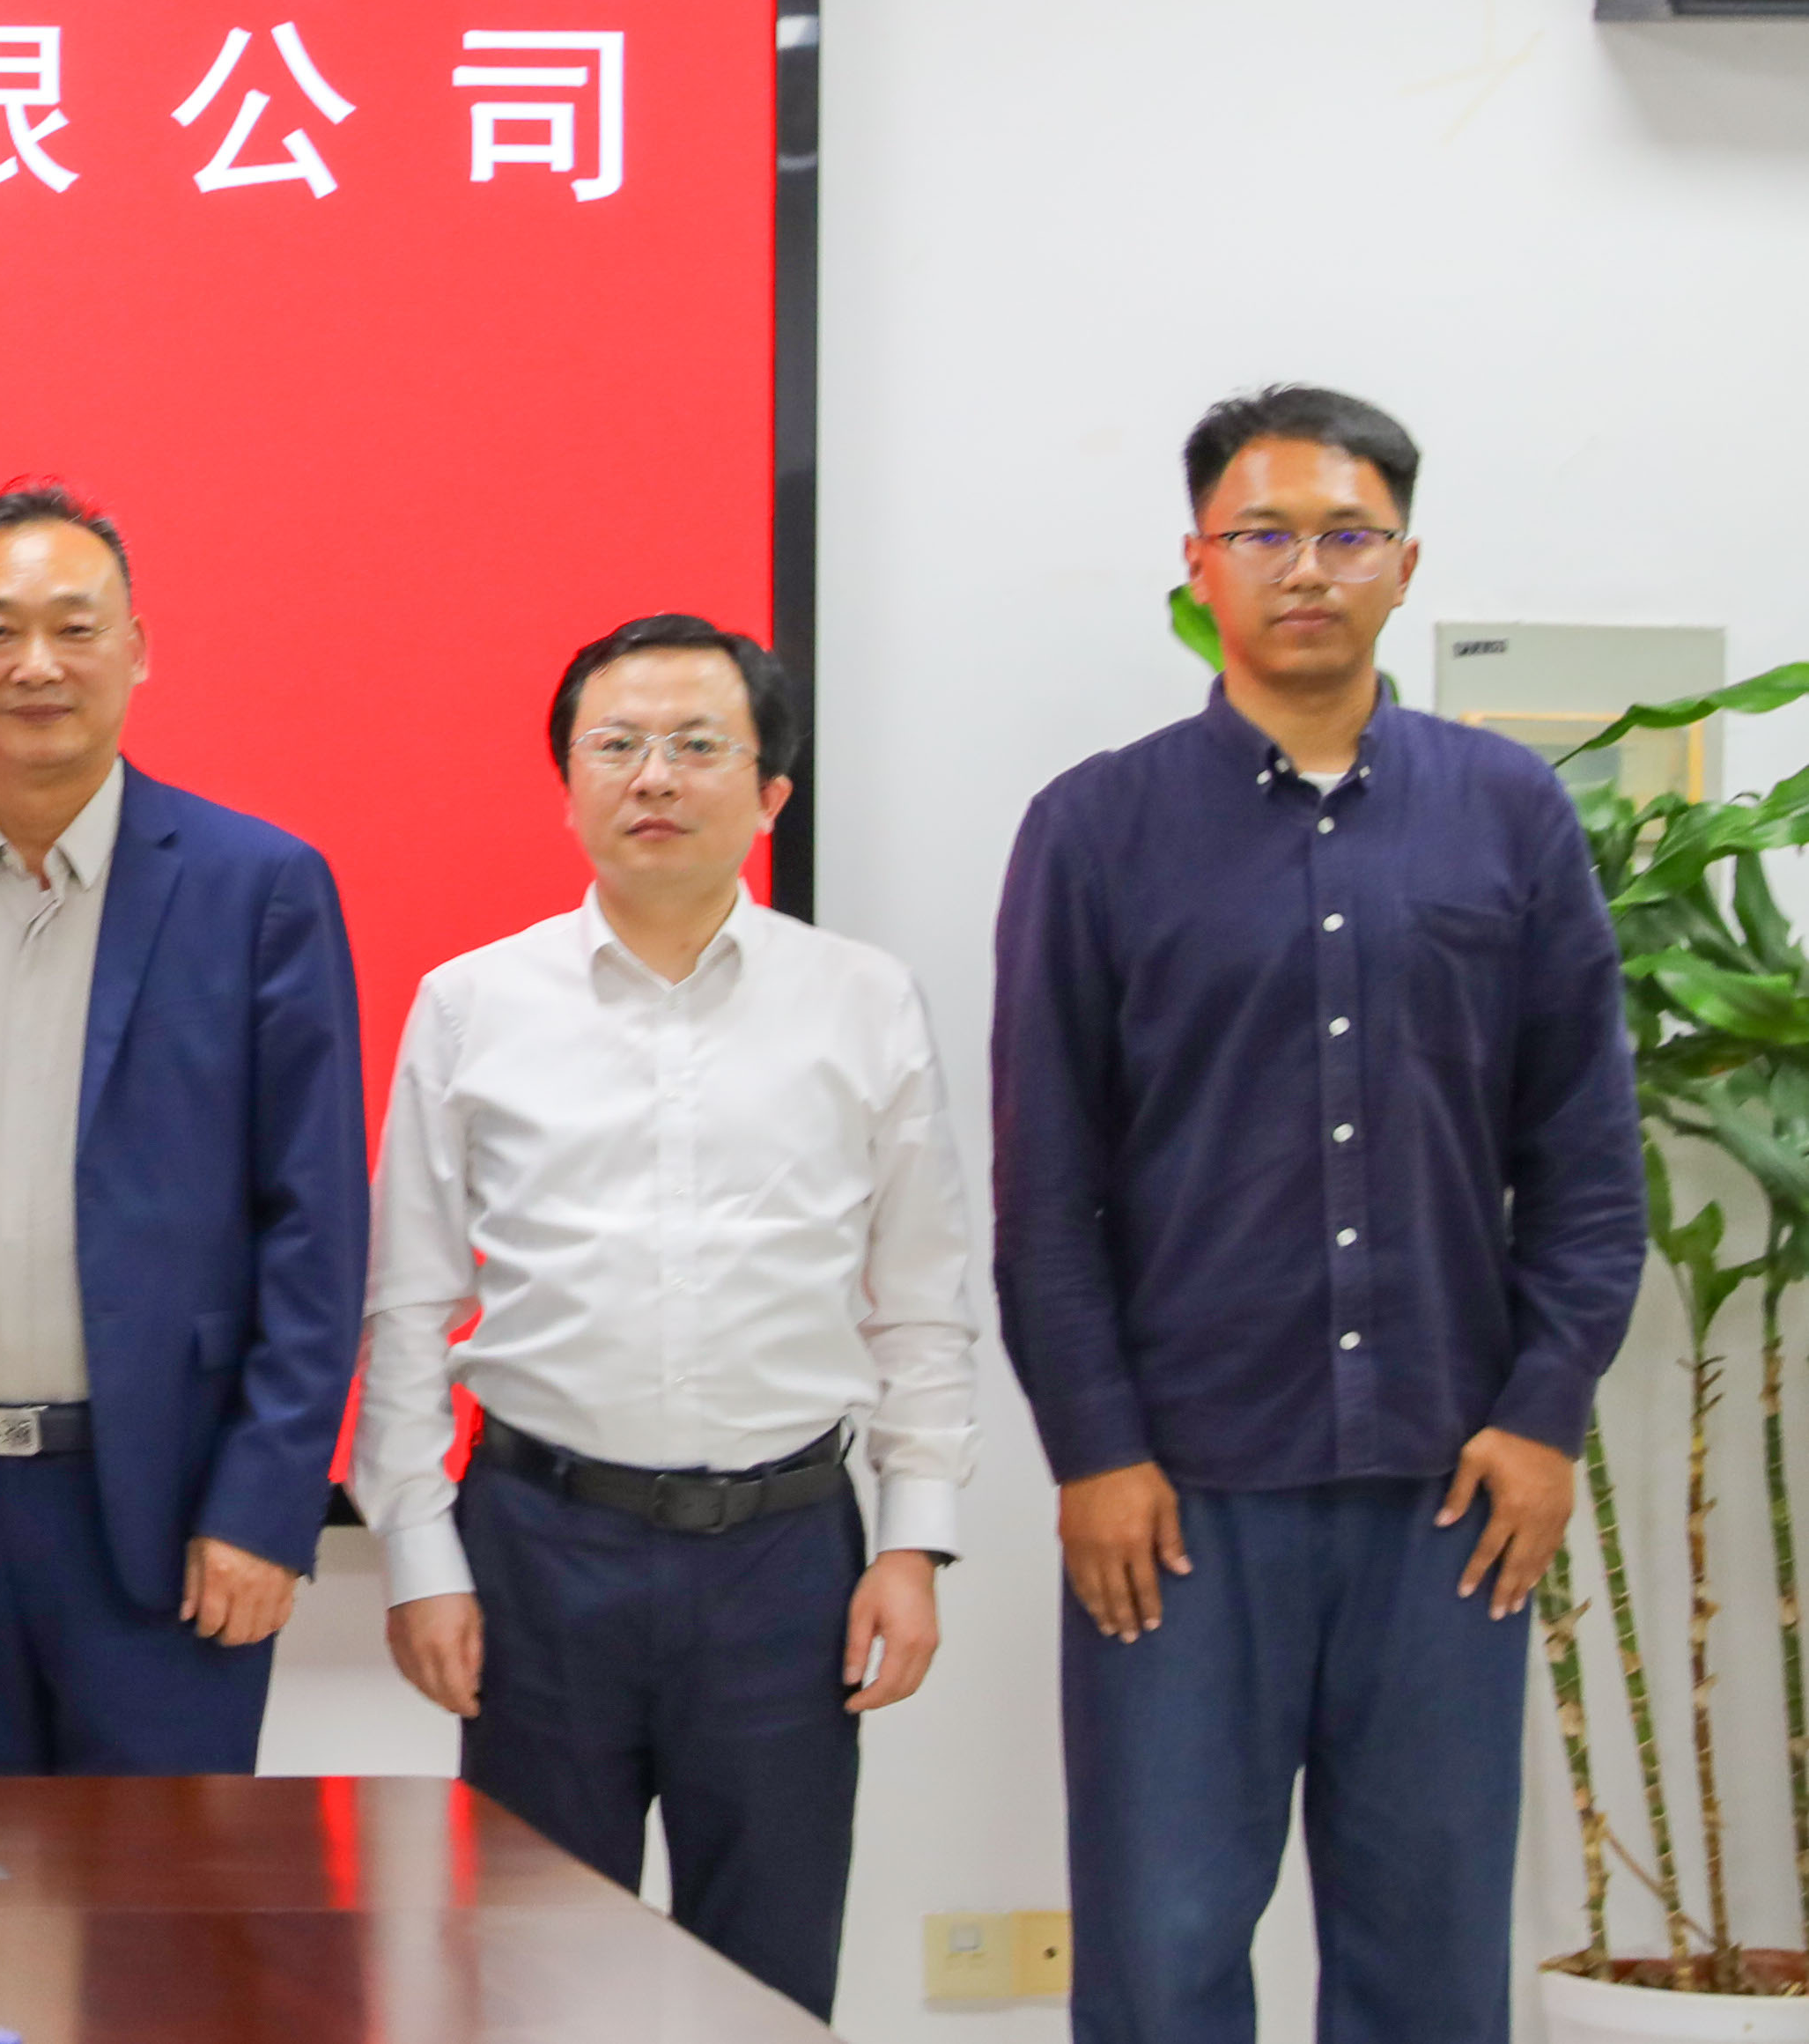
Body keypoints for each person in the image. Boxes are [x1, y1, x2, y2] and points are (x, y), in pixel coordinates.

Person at [1000, 386, 1641, 2044]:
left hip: (1450, 1494)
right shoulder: (1095, 828)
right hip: (1181, 1497)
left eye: (1348, 534)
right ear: (1198, 561)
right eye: (1265, 533)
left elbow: (1585, 1162)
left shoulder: (1510, 812)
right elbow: (1048, 1189)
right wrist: (1094, 1449)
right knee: (1161, 1955)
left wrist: (1544, 1414)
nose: (1307, 568)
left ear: (1406, 565)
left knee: (1431, 1963)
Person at [357, 614, 975, 2018]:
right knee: (529, 1987)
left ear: (770, 792)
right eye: (617, 745)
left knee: (767, 1985)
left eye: (698, 745)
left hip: (785, 1563)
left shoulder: (863, 1000)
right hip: (541, 1551)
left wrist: (915, 1541)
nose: (654, 776)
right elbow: (407, 1304)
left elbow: (922, 1300)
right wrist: (416, 1552)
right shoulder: (472, 1003)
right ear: (568, 782)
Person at [0, 482, 364, 1777]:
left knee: (167, 1892)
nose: (36, 664)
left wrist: (268, 1503)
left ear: (138, 648)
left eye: (75, 626)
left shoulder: (260, 886)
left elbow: (316, 1228)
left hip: (171, 1508)